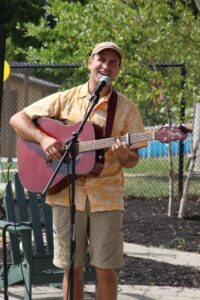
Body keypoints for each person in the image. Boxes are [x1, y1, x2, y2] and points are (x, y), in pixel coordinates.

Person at [10, 41, 147, 300]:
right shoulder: (66, 98)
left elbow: (133, 160)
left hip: (106, 198)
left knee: (106, 269)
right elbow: (17, 119)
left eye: (113, 62)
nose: (106, 65)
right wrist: (44, 140)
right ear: (90, 62)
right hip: (66, 195)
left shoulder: (126, 108)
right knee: (72, 268)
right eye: (101, 59)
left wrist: (124, 154)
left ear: (117, 70)